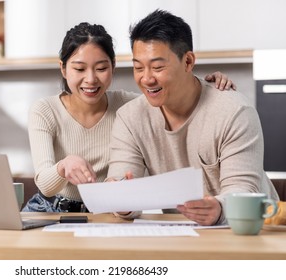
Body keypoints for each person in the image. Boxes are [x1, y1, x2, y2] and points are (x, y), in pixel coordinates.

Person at [22, 22, 236, 213]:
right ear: (63, 69)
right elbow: (45, 185)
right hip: (49, 208)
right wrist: (63, 166)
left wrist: (210, 86)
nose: (90, 79)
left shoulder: (129, 107)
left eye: (101, 68)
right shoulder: (45, 110)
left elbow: (168, 93)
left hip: (104, 211)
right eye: (79, 69)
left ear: (113, 67)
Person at [106, 9, 279, 225]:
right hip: (183, 233)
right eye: (138, 67)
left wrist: (219, 209)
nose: (146, 78)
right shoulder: (130, 118)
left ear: (188, 62)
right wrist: (121, 202)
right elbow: (122, 182)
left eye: (158, 67)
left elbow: (242, 190)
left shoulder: (234, 112)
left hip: (254, 231)